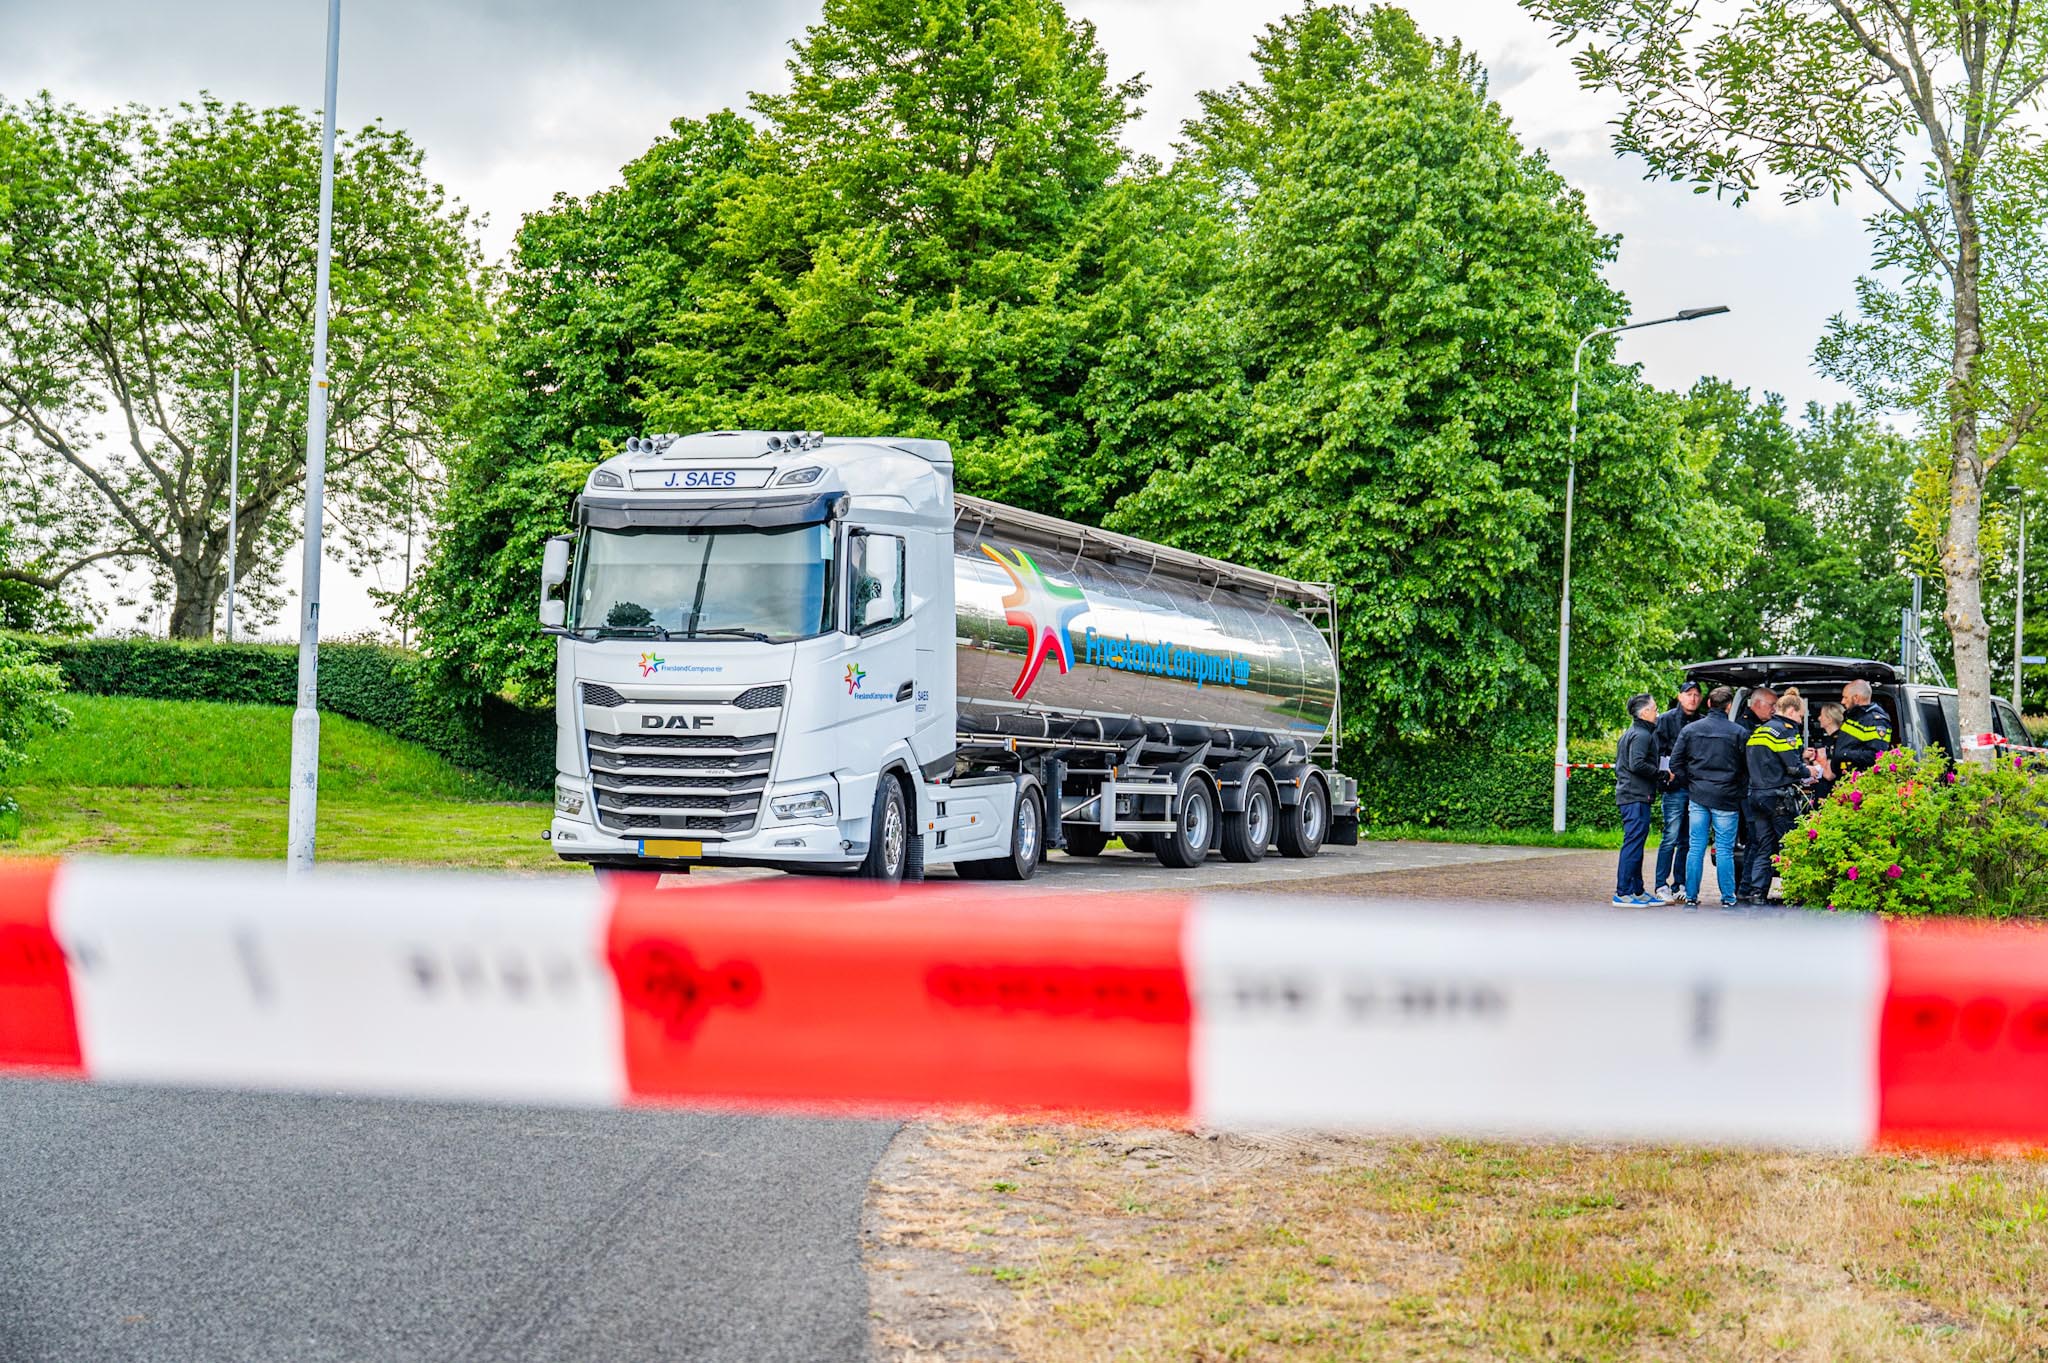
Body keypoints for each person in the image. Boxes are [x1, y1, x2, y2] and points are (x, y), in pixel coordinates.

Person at [1670, 685, 1747, 909]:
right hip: (1726, 797)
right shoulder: (1738, 732)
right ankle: (1728, 898)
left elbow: (1675, 763)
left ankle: (1691, 896)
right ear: (1729, 706)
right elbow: (1747, 768)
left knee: (1696, 847)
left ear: (1709, 704)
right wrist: (1738, 790)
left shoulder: (1691, 730)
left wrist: (1691, 783)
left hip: (1698, 796)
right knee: (1724, 849)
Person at [1743, 690, 1814, 905]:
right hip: (1778, 798)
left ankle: (1757, 892)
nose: (1801, 720)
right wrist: (1812, 771)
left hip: (1756, 796)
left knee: (1764, 847)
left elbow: (1768, 761)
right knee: (1790, 845)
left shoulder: (1760, 731)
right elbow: (1793, 767)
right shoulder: (1787, 731)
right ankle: (1792, 892)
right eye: (1801, 716)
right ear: (1791, 711)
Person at [1652, 680, 1707, 900]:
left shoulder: (1703, 722)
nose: (1692, 698)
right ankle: (1660, 883)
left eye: (1696, 694)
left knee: (1687, 839)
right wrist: (1663, 781)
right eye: (1688, 694)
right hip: (1674, 788)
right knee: (1670, 836)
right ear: (1679, 696)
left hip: (1695, 787)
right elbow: (1656, 753)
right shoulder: (1664, 721)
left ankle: (1680, 884)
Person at [1613, 693, 1661, 907]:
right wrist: (1661, 774)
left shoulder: (1632, 733)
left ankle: (1637, 890)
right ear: (1644, 713)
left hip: (1634, 795)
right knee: (1633, 844)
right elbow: (1637, 764)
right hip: (1635, 796)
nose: (1657, 713)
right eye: (1655, 709)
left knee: (1636, 844)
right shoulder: (1641, 735)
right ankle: (1623, 892)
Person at [1835, 679, 1895, 773]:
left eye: (1845, 697)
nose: (1842, 701)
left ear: (1856, 698)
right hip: (1844, 777)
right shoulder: (1853, 717)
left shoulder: (1876, 721)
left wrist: (1845, 754)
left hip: (1860, 780)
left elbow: (1877, 755)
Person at [1810, 702, 1844, 800]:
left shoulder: (1836, 741)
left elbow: (1829, 774)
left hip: (1831, 795)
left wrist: (1814, 759)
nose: (1819, 718)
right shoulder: (1831, 740)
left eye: (1821, 715)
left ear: (1829, 719)